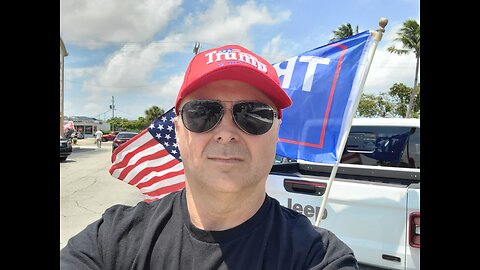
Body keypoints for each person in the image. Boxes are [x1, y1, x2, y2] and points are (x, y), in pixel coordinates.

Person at [60, 44, 359, 269]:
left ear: (277, 130)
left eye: (253, 114)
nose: (226, 132)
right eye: (203, 113)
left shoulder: (318, 257)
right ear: (178, 131)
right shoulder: (111, 240)